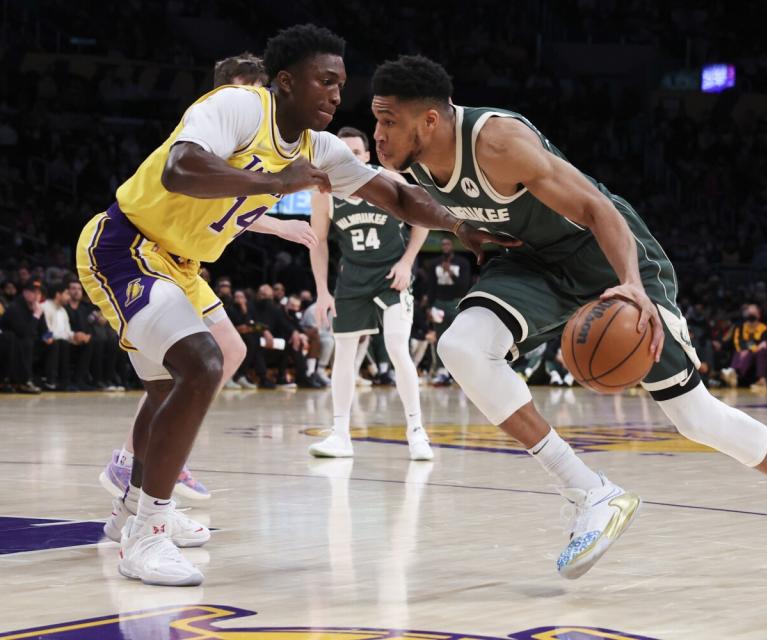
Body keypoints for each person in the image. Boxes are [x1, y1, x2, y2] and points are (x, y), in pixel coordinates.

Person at [369, 54, 767, 583]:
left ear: (430, 121)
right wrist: (457, 224)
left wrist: (630, 283)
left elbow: (596, 208)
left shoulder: (497, 142)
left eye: (388, 121)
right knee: (461, 347)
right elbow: (406, 198)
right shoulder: (413, 156)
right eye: (376, 120)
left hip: (606, 254)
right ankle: (590, 494)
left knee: (693, 417)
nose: (378, 134)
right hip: (534, 261)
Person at [77, 26, 509, 587]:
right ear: (286, 82)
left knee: (171, 387)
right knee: (203, 363)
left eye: (341, 84)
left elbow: (396, 194)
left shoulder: (319, 148)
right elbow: (179, 168)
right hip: (126, 244)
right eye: (325, 81)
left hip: (182, 265)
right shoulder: (236, 106)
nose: (336, 94)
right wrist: (275, 180)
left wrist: (460, 226)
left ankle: (132, 511)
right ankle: (147, 536)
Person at [98, 52, 303, 506]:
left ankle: (154, 462)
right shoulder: (207, 134)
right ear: (227, 90)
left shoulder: (259, 135)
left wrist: (280, 223)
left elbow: (233, 208)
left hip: (188, 262)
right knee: (184, 371)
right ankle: (137, 464)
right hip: (145, 250)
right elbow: (212, 193)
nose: (259, 100)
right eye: (250, 89)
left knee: (230, 349)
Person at [307, 126, 433, 460]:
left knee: (396, 344)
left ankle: (417, 431)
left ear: (366, 156)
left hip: (391, 275)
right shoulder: (324, 192)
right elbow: (318, 241)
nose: (348, 158)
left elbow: (423, 219)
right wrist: (322, 290)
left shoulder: (390, 180)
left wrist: (407, 262)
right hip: (352, 278)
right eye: (341, 152)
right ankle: (340, 434)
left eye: (355, 152)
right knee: (343, 355)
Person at [427, 236, 471, 385]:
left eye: (448, 244)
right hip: (439, 304)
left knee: (459, 338)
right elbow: (431, 286)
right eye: (443, 244)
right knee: (439, 338)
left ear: (452, 246)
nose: (445, 246)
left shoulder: (462, 263)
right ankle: (441, 371)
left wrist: (450, 273)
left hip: (455, 303)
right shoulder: (434, 264)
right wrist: (429, 307)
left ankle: (460, 372)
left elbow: (464, 287)